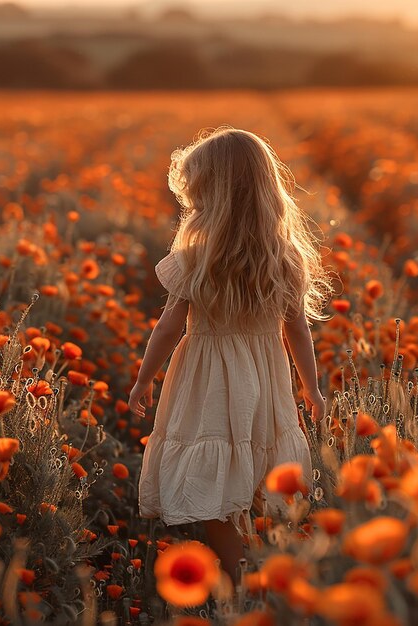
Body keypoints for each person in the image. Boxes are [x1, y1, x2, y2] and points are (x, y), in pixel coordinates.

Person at [128, 126, 335, 591]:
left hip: (209, 380)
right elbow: (297, 330)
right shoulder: (284, 257)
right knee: (262, 467)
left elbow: (168, 326)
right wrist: (312, 388)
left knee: (216, 474)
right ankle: (263, 564)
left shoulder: (195, 257)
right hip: (266, 378)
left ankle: (236, 570)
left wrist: (144, 379)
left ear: (209, 196)